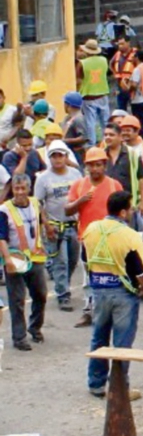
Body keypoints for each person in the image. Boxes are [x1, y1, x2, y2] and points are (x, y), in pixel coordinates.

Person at [82, 190, 143, 398]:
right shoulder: (129, 235)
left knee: (99, 338)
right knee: (122, 344)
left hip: (98, 290)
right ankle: (120, 388)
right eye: (130, 208)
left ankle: (96, 384)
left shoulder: (91, 229)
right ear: (123, 212)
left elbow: (86, 261)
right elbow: (142, 271)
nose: (131, 212)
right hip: (123, 293)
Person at [65, 147, 124, 328]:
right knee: (89, 278)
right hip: (88, 239)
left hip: (111, 239)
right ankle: (88, 311)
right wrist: (80, 200)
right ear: (86, 167)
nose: (95, 169)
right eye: (91, 165)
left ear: (105, 166)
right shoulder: (80, 185)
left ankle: (110, 311)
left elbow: (124, 211)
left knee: (112, 275)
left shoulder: (114, 186)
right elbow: (68, 210)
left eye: (98, 165)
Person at [0, 174, 49, 350]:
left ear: (29, 189)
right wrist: (7, 260)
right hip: (15, 260)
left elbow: (41, 219)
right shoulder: (5, 210)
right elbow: (2, 237)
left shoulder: (35, 203)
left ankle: (35, 328)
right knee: (17, 300)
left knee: (40, 295)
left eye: (23, 188)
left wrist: (49, 228)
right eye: (16, 188)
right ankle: (19, 337)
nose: (19, 192)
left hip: (35, 258)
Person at [35, 140, 83, 311]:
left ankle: (64, 284)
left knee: (72, 259)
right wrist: (46, 225)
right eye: (54, 156)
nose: (57, 159)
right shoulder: (43, 179)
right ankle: (63, 294)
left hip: (74, 225)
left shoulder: (75, 174)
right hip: (55, 226)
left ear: (66, 156)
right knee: (60, 261)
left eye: (60, 155)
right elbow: (38, 203)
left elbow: (82, 196)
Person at [118, 116, 143, 217]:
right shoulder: (119, 149)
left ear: (137, 131)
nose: (125, 133)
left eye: (128, 130)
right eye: (123, 130)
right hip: (127, 193)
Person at [77, 38, 111, 146]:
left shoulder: (82, 63)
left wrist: (78, 93)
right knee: (105, 121)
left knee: (90, 123)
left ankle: (92, 144)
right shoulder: (103, 60)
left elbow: (79, 80)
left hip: (88, 95)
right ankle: (107, 141)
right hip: (102, 93)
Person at [110, 38, 139, 113]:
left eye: (122, 44)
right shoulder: (117, 54)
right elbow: (111, 64)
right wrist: (115, 73)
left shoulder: (135, 53)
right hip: (120, 86)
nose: (120, 46)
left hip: (132, 85)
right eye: (119, 44)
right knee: (121, 109)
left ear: (128, 43)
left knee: (135, 108)